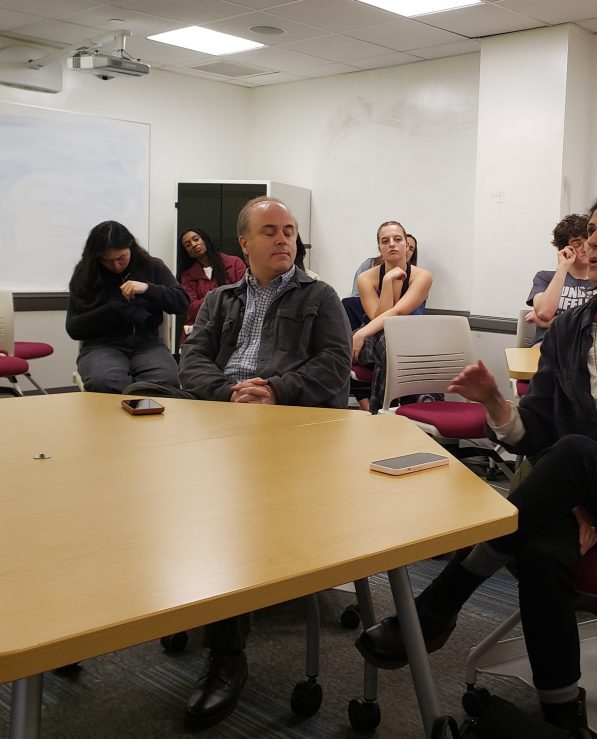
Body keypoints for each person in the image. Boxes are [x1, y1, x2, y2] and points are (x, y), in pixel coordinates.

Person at [355, 192, 597, 737]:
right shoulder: (571, 327)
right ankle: (560, 716)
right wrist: (496, 405)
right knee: (542, 545)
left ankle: (441, 601)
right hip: (584, 495)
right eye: (591, 230)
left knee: (573, 457)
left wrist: (583, 490)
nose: (593, 241)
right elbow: (542, 434)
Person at [177, 196, 351, 729]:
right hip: (224, 418)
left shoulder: (319, 296)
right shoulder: (220, 299)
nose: (283, 240)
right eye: (270, 231)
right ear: (245, 244)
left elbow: (334, 367)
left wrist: (274, 391)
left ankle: (226, 655)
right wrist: (229, 394)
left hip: (289, 426)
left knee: (232, 511)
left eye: (290, 230)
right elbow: (193, 359)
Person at [66, 221, 189, 393]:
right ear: (96, 258)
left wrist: (148, 288)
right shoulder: (85, 274)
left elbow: (182, 302)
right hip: (102, 346)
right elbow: (74, 328)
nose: (116, 266)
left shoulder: (152, 266)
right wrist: (114, 310)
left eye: (121, 258)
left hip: (148, 345)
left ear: (131, 248)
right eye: (107, 261)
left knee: (164, 382)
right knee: (106, 382)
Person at [352, 220, 433, 412]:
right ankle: (419, 402)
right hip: (371, 339)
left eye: (397, 239)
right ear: (379, 247)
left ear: (407, 245)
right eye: (385, 241)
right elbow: (379, 319)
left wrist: (360, 333)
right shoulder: (366, 278)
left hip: (404, 340)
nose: (392, 244)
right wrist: (387, 282)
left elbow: (398, 313)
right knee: (388, 343)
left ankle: (380, 413)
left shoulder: (423, 276)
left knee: (391, 347)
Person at [524, 214, 596, 346]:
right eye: (577, 243)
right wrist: (563, 267)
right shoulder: (545, 277)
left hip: (585, 347)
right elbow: (545, 312)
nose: (585, 248)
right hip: (547, 345)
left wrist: (550, 323)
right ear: (564, 249)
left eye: (587, 241)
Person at [177, 227, 247, 342]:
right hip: (200, 331)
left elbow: (244, 297)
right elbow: (191, 308)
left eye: (196, 239)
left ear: (205, 240)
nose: (193, 245)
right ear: (187, 252)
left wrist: (208, 301)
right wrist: (224, 298)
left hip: (234, 327)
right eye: (188, 245)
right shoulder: (187, 276)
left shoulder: (234, 263)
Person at [350, 230, 418, 296]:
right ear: (380, 248)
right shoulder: (369, 265)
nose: (408, 250)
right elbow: (356, 297)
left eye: (411, 249)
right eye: (385, 241)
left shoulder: (419, 276)